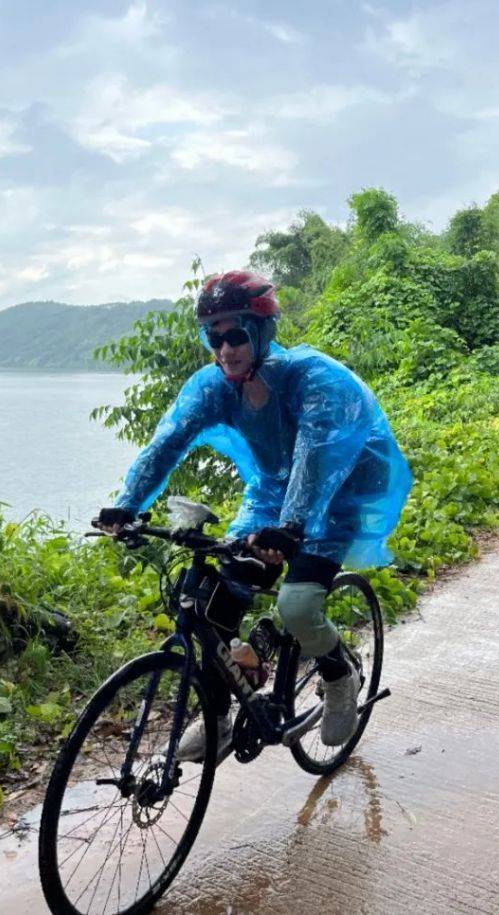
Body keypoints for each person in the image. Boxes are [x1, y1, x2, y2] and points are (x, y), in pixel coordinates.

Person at [96, 270, 412, 760]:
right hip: (271, 494)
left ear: (262, 331)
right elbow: (168, 442)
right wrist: (127, 503)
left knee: (298, 606)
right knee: (215, 600)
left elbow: (316, 456)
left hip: (339, 495)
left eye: (237, 335)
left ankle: (339, 675)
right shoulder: (215, 387)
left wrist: (292, 527)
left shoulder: (314, 380)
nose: (226, 349)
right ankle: (218, 715)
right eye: (215, 337)